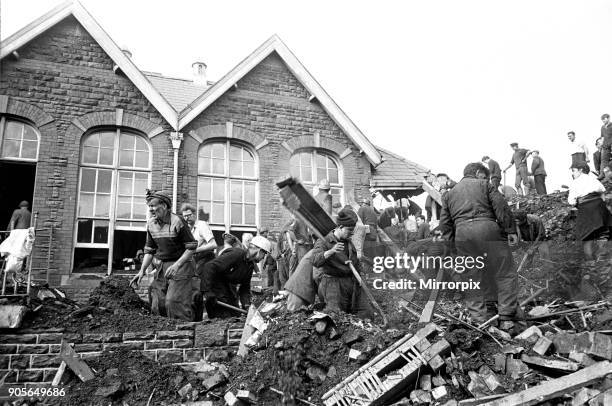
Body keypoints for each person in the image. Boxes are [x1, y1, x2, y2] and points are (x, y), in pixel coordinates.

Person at [438, 163, 519, 329]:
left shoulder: (448, 194)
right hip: (488, 228)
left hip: (463, 234)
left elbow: (445, 225)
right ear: (477, 172)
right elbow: (501, 207)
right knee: (504, 271)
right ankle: (506, 318)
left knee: (471, 277)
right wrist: (510, 230)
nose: (486, 179)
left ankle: (481, 321)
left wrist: (453, 247)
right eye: (484, 176)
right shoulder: (485, 185)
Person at [130, 190, 198, 321]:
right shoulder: (151, 224)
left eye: (154, 206)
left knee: (173, 302)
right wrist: (142, 271)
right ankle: (163, 335)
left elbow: (191, 248)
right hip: (163, 266)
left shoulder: (178, 222)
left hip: (182, 265)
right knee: (158, 303)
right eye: (149, 207)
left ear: (165, 206)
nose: (151, 210)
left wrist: (177, 266)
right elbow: (149, 250)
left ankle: (183, 333)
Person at [312, 208, 371, 317]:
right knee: (337, 316)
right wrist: (331, 251)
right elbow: (315, 260)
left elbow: (355, 263)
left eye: (353, 231)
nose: (351, 234)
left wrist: (362, 275)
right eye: (349, 230)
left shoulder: (348, 243)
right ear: (340, 227)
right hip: (332, 284)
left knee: (364, 313)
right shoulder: (324, 241)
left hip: (351, 282)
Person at [200, 235, 271, 318]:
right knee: (224, 317)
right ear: (259, 250)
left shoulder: (250, 266)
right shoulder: (236, 254)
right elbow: (209, 267)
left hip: (228, 290)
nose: (263, 258)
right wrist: (207, 291)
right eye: (264, 254)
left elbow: (244, 288)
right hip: (215, 290)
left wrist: (246, 305)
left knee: (236, 316)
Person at [568, 162, 612, 260]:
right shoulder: (593, 179)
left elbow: (571, 201)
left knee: (586, 237)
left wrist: (578, 203)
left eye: (574, 171)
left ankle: (591, 265)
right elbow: (603, 193)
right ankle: (602, 259)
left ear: (581, 170)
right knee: (603, 233)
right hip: (599, 208)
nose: (573, 173)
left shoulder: (575, 182)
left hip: (586, 210)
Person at [181, 204, 216, 275]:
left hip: (205, 258)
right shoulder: (187, 228)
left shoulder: (201, 225)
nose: (187, 218)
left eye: (189, 215)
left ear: (194, 214)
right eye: (185, 216)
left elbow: (213, 244)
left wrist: (195, 250)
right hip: (194, 260)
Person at [601, 114, 612, 178]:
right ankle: (603, 175)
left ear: (608, 118)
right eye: (602, 120)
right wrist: (602, 144)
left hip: (611, 145)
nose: (603, 121)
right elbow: (602, 137)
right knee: (604, 161)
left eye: (604, 119)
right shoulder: (602, 127)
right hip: (605, 147)